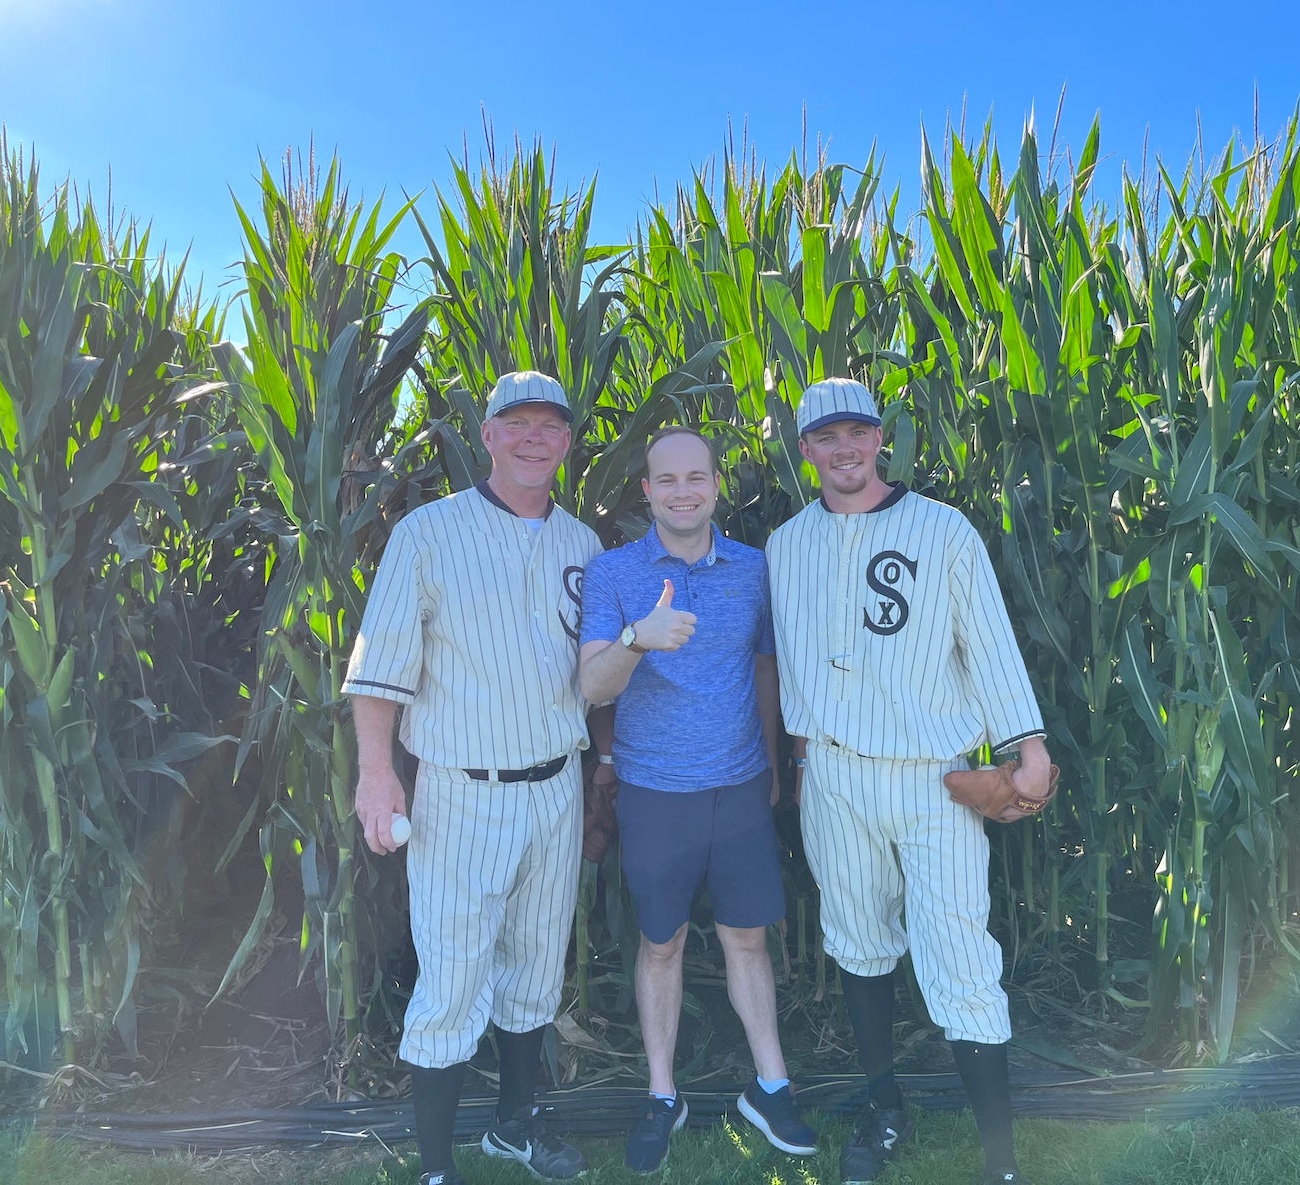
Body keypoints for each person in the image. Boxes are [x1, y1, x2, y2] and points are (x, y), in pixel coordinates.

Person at [765, 379, 1056, 1185]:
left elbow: (988, 644)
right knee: (859, 946)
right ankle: (883, 1105)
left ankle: (1000, 1164)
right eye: (827, 437)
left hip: (937, 780)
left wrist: (1026, 745)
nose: (845, 448)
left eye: (858, 431)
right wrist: (797, 767)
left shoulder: (942, 529)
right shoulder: (787, 544)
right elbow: (792, 666)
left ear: (879, 439)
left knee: (960, 957)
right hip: (834, 778)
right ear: (807, 451)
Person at [345, 371, 601, 1185]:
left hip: (557, 785)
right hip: (460, 790)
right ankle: (433, 1168)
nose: (534, 437)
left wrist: (606, 782)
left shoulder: (583, 545)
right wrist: (377, 777)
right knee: (453, 980)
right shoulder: (428, 532)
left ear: (567, 440)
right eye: (515, 423)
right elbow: (380, 671)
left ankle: (513, 1130)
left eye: (550, 425)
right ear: (486, 434)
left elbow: (599, 673)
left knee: (534, 969)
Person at [577, 427, 819, 1173]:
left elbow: (766, 671)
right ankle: (662, 1095)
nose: (683, 491)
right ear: (645, 491)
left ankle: (770, 1086)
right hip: (655, 794)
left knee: (749, 938)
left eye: (697, 478)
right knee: (663, 944)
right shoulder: (613, 573)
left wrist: (774, 765)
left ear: (717, 485)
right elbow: (592, 686)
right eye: (666, 480)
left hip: (741, 785)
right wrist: (639, 637)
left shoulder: (754, 570)